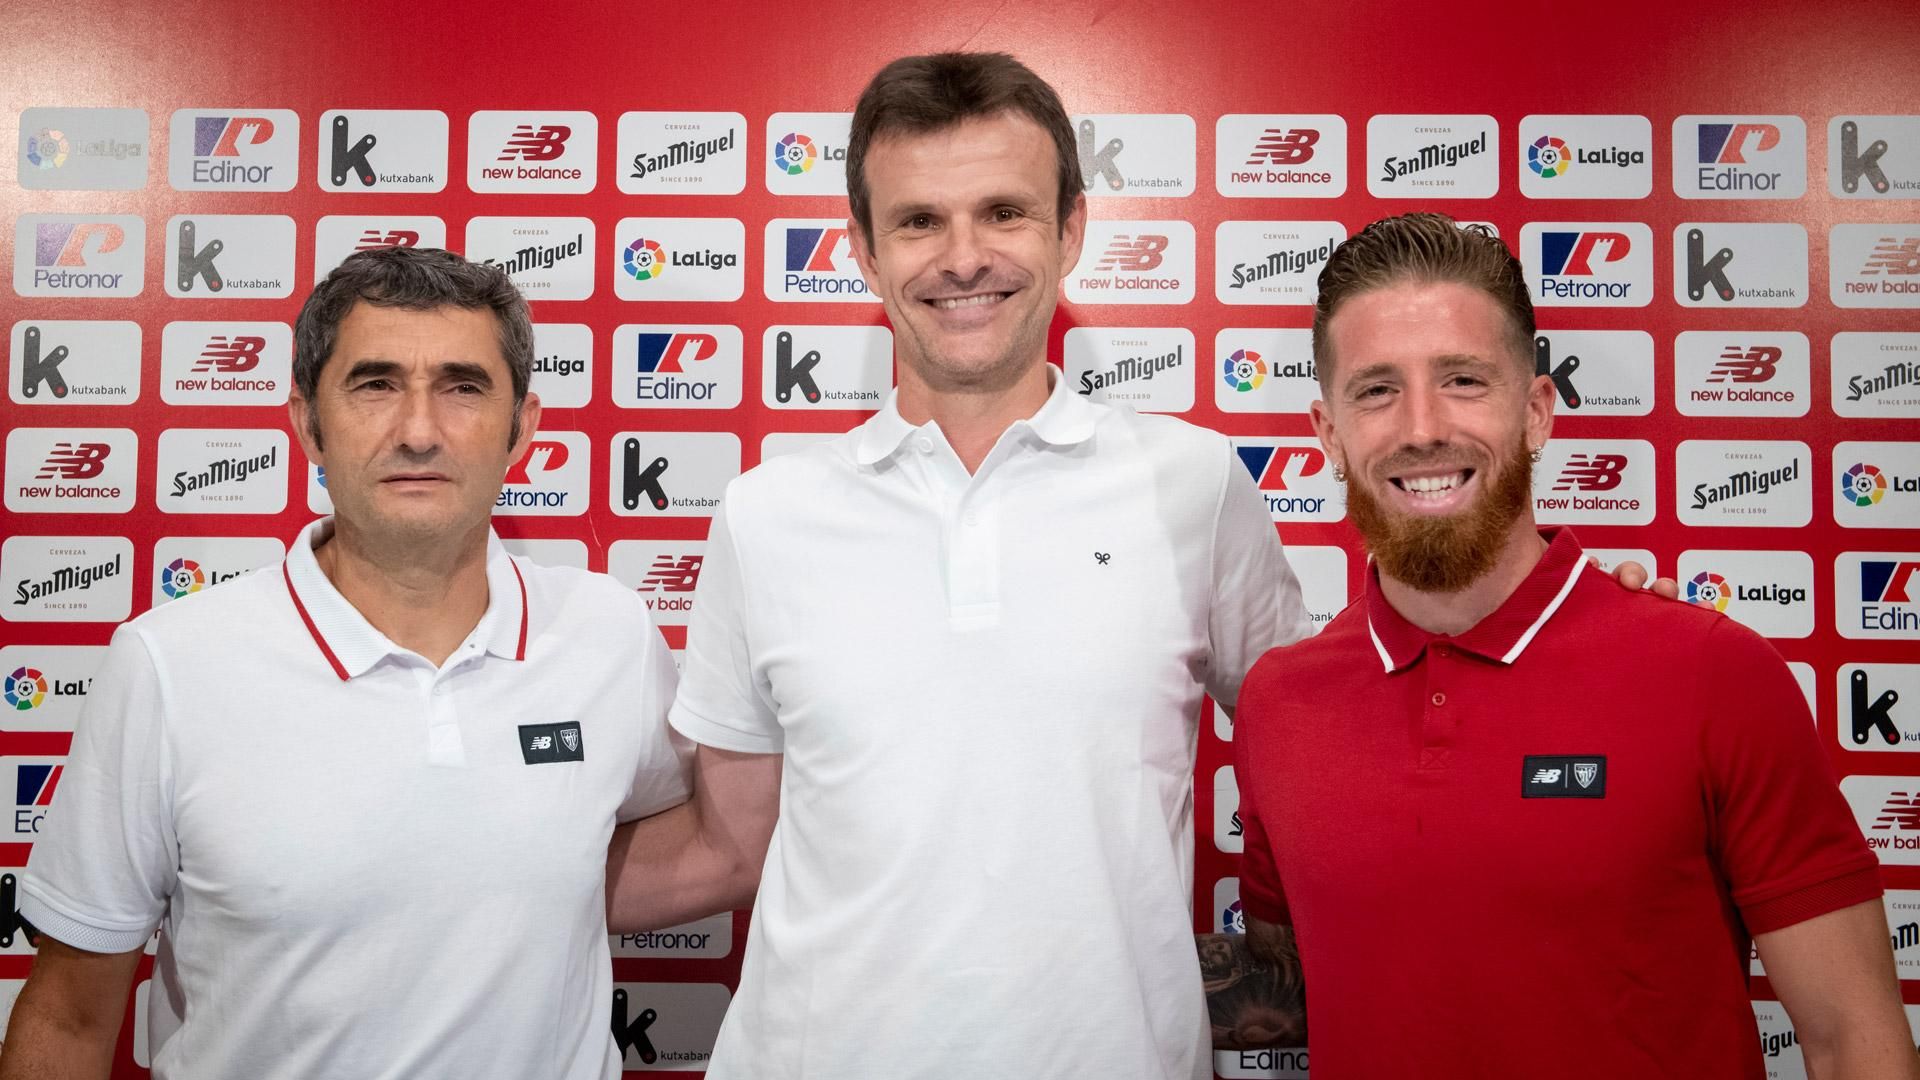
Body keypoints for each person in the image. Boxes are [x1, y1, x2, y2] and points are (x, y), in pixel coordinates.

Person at [605, 52, 1312, 1079]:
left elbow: (1330, 749)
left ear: (1070, 230)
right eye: (920, 221)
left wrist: (1578, 643)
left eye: (1004, 212)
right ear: (862, 248)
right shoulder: (767, 515)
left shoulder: (1194, 485)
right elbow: (728, 845)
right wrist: (435, 882)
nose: (963, 257)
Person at [1228, 212, 1917, 1076]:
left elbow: (1854, 1037)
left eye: (1464, 380)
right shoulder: (1278, 702)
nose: (1422, 426)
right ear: (1328, 435)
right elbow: (1284, 990)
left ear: (1539, 411)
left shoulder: (1712, 671)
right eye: (1376, 390)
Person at [0, 247, 691, 1080]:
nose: (419, 430)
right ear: (305, 421)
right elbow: (72, 1017)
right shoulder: (167, 666)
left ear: (524, 429)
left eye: (463, 387)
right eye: (375, 384)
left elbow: (682, 840)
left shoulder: (607, 633)